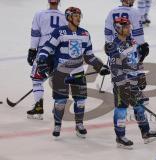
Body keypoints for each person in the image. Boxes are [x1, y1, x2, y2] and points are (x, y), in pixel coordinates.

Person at [37, 7, 110, 138]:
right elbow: (47, 47)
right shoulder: (59, 32)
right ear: (69, 17)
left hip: (78, 72)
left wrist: (100, 67)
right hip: (61, 73)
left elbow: (89, 56)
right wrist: (42, 59)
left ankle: (79, 124)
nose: (78, 18)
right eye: (75, 15)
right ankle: (57, 124)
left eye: (79, 15)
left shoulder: (85, 34)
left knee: (80, 101)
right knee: (60, 102)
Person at [105, 17, 156, 149]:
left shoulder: (133, 41)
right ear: (118, 28)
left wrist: (141, 75)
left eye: (129, 26)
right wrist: (123, 84)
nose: (129, 28)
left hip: (134, 80)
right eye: (125, 27)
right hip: (121, 84)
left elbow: (137, 61)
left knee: (140, 106)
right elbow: (115, 68)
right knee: (121, 109)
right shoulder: (114, 46)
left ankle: (146, 132)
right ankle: (120, 137)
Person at [27, 0, 67, 120]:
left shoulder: (39, 14)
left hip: (43, 51)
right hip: (58, 52)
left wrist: (32, 50)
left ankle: (38, 106)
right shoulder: (65, 16)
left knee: (37, 79)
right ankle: (58, 109)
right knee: (58, 80)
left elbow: (35, 33)